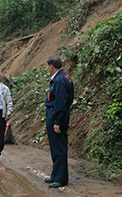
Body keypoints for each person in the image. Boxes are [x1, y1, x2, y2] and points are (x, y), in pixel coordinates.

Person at [44, 55, 74, 188]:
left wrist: (57, 121)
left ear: (51, 66)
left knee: (59, 148)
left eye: (47, 66)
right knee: (55, 147)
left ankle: (61, 179)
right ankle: (55, 175)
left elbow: (61, 103)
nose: (47, 68)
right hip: (56, 114)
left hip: (57, 115)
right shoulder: (63, 77)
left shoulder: (60, 80)